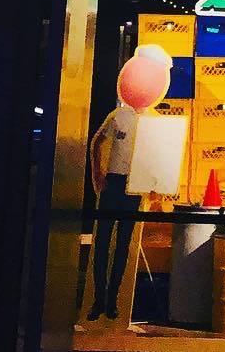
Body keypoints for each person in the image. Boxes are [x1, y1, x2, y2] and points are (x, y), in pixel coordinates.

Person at [86, 100, 142, 320]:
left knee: (123, 244)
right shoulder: (118, 115)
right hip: (114, 181)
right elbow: (97, 142)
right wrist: (97, 172)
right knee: (102, 242)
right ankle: (99, 299)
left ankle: (112, 301)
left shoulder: (151, 121)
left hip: (134, 184)